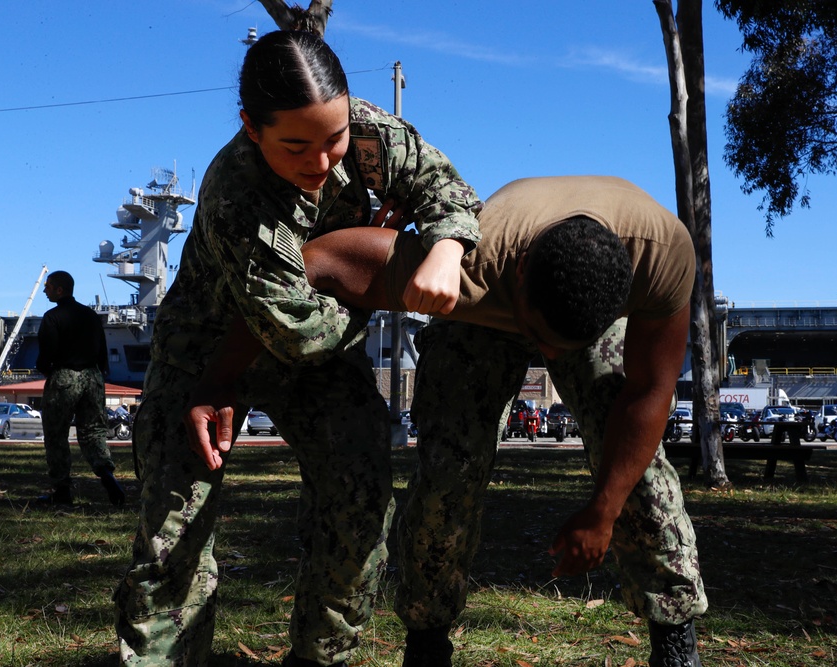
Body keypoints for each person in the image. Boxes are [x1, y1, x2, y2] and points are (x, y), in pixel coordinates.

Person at [112, 22, 481, 667]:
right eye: (294, 147)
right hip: (206, 354)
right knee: (175, 529)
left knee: (360, 494)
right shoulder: (237, 188)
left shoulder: (369, 136)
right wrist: (364, 276)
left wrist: (446, 247)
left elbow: (452, 195)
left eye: (333, 139)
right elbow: (298, 333)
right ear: (252, 128)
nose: (320, 162)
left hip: (314, 351)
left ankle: (323, 656)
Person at [295, 175, 708, 667]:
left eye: (562, 347)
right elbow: (319, 257)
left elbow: (650, 392)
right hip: (484, 306)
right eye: (541, 338)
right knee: (450, 472)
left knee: (637, 462)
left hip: (583, 285)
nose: (548, 356)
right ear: (518, 276)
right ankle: (427, 640)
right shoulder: (471, 264)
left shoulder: (663, 261)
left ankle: (675, 635)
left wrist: (604, 510)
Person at [34, 270, 126, 507]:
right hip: (93, 377)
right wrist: (100, 372)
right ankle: (107, 475)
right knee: (93, 431)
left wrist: (46, 370)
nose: (45, 290)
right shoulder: (91, 315)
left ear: (59, 290)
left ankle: (62, 491)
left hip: (65, 376)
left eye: (48, 286)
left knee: (56, 434)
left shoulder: (52, 317)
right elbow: (102, 349)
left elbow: (47, 352)